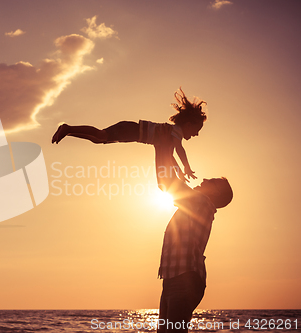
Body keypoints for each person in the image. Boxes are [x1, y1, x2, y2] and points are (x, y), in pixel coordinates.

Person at [153, 124, 233, 333]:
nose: (205, 179)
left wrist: (161, 147)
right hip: (174, 278)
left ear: (216, 195)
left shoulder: (202, 203)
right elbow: (168, 182)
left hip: (184, 278)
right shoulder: (198, 203)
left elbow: (167, 182)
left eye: (213, 181)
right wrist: (162, 149)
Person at [51, 88, 206, 181]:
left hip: (130, 131)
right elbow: (179, 150)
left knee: (99, 139)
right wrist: (187, 167)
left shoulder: (172, 135)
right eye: (196, 130)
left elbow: (170, 157)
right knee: (100, 135)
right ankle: (68, 128)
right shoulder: (175, 132)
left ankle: (68, 130)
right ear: (188, 125)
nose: (196, 135)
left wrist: (179, 174)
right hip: (131, 130)